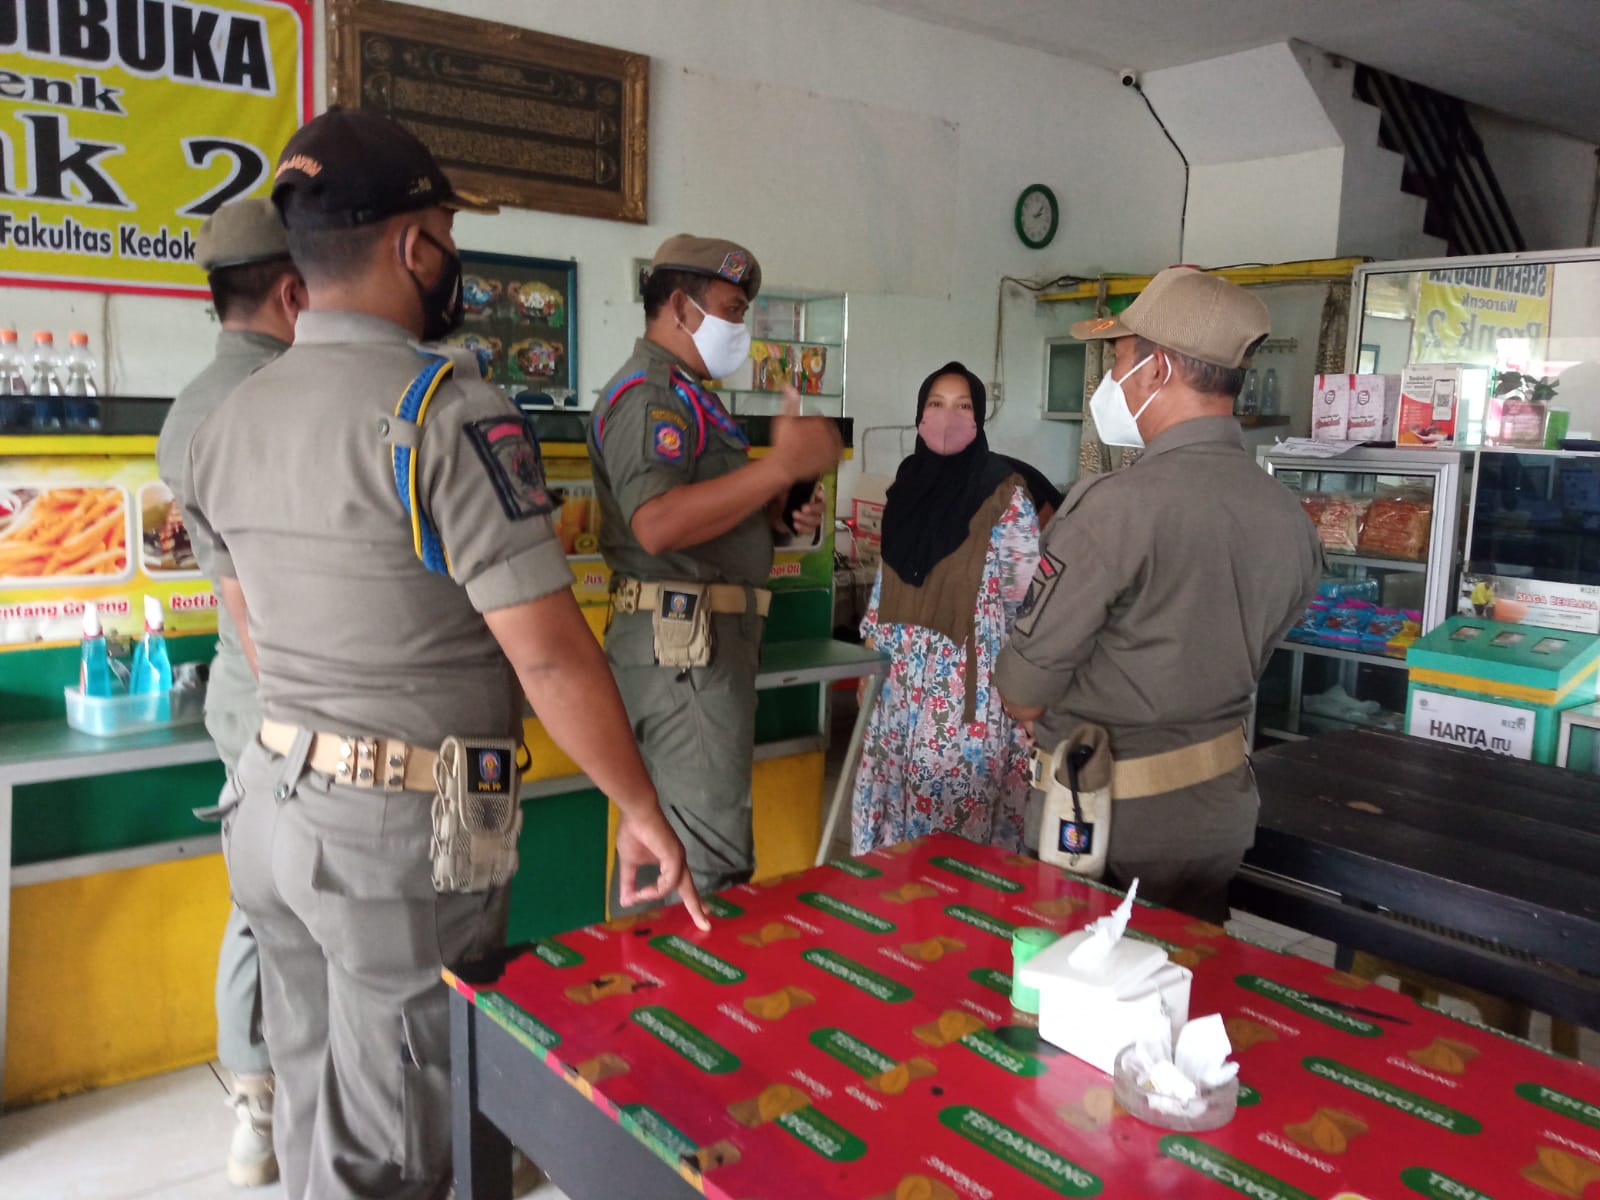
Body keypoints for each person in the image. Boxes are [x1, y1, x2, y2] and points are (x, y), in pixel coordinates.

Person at [180, 108, 707, 1200]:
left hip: (270, 810)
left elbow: (249, 625)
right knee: (401, 1150)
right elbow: (552, 657)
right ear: (415, 245)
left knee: (326, 1102)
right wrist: (644, 809)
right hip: (391, 844)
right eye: (447, 233)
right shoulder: (443, 413)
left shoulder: (229, 416)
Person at [995, 267, 1322, 921]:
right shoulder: (1288, 515)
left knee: (1077, 1006)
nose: (1110, 380)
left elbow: (1022, 688)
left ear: (1160, 370)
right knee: (1184, 995)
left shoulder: (1116, 507)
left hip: (1107, 827)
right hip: (1213, 814)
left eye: (1117, 359)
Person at [589, 235, 843, 907]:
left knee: (668, 850)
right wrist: (777, 467)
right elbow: (658, 523)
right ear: (679, 306)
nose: (742, 329)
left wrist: (781, 516)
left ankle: (652, 999)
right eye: (732, 309)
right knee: (704, 865)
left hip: (700, 648)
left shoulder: (694, 398)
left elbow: (704, 523)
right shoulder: (651, 398)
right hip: (683, 651)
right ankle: (684, 1004)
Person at [155, 197, 305, 1189]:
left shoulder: (188, 408)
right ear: (297, 291)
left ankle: (253, 1107)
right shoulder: (286, 399)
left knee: (256, 902)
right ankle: (328, 1106)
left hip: (244, 698)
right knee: (324, 907)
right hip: (299, 695)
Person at [850, 362, 1039, 853]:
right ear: (919, 414)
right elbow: (884, 581)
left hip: (962, 697)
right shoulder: (906, 486)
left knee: (951, 843)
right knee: (887, 825)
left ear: (979, 419)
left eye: (963, 406)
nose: (948, 416)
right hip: (894, 687)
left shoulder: (1004, 493)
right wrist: (867, 665)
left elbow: (1027, 604)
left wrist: (1031, 695)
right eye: (936, 404)